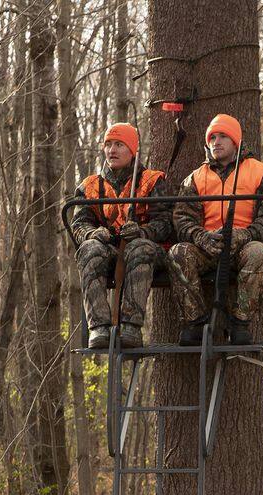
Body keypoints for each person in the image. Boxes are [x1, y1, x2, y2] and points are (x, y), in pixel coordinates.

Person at [169, 114, 263, 346]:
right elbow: (182, 218)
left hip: (243, 247)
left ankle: (240, 324)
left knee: (258, 252)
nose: (216, 142)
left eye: (223, 136)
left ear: (236, 141)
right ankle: (196, 323)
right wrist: (201, 237)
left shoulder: (259, 172)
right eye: (212, 137)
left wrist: (245, 235)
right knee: (177, 253)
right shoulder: (195, 178)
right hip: (208, 248)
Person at [71, 123, 172, 349]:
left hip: (145, 251)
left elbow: (166, 222)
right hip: (108, 249)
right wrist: (93, 233)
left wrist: (142, 232)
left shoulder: (152, 181)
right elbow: (79, 224)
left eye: (119, 144)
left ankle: (130, 327)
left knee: (140, 247)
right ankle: (99, 327)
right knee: (89, 248)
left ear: (132, 149)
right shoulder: (89, 186)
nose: (112, 150)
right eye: (108, 144)